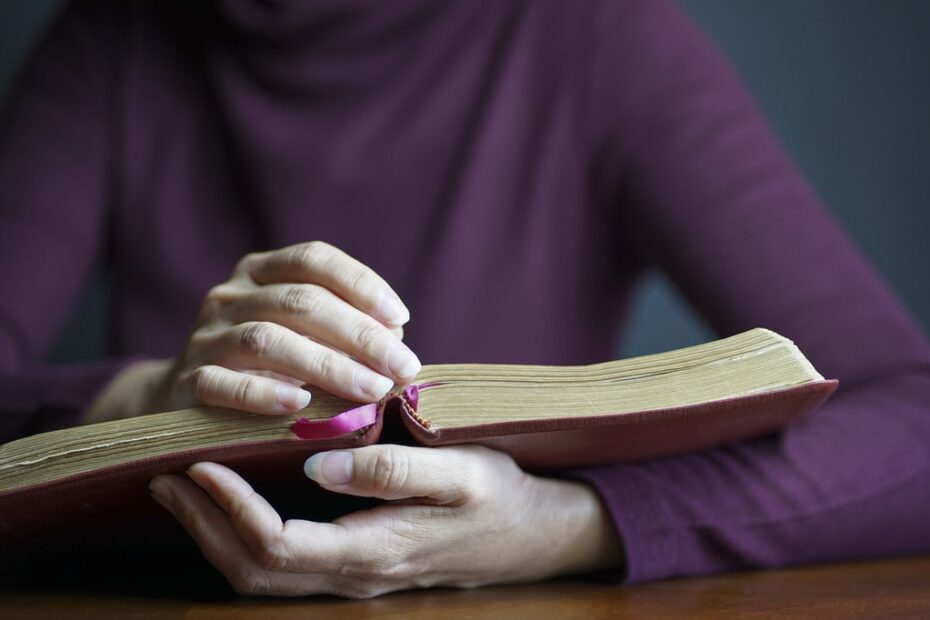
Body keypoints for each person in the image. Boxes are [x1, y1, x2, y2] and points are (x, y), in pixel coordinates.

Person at [1, 0, 928, 599]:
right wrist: (147, 401)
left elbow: (914, 425)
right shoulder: (113, 38)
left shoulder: (596, 37)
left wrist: (566, 526)